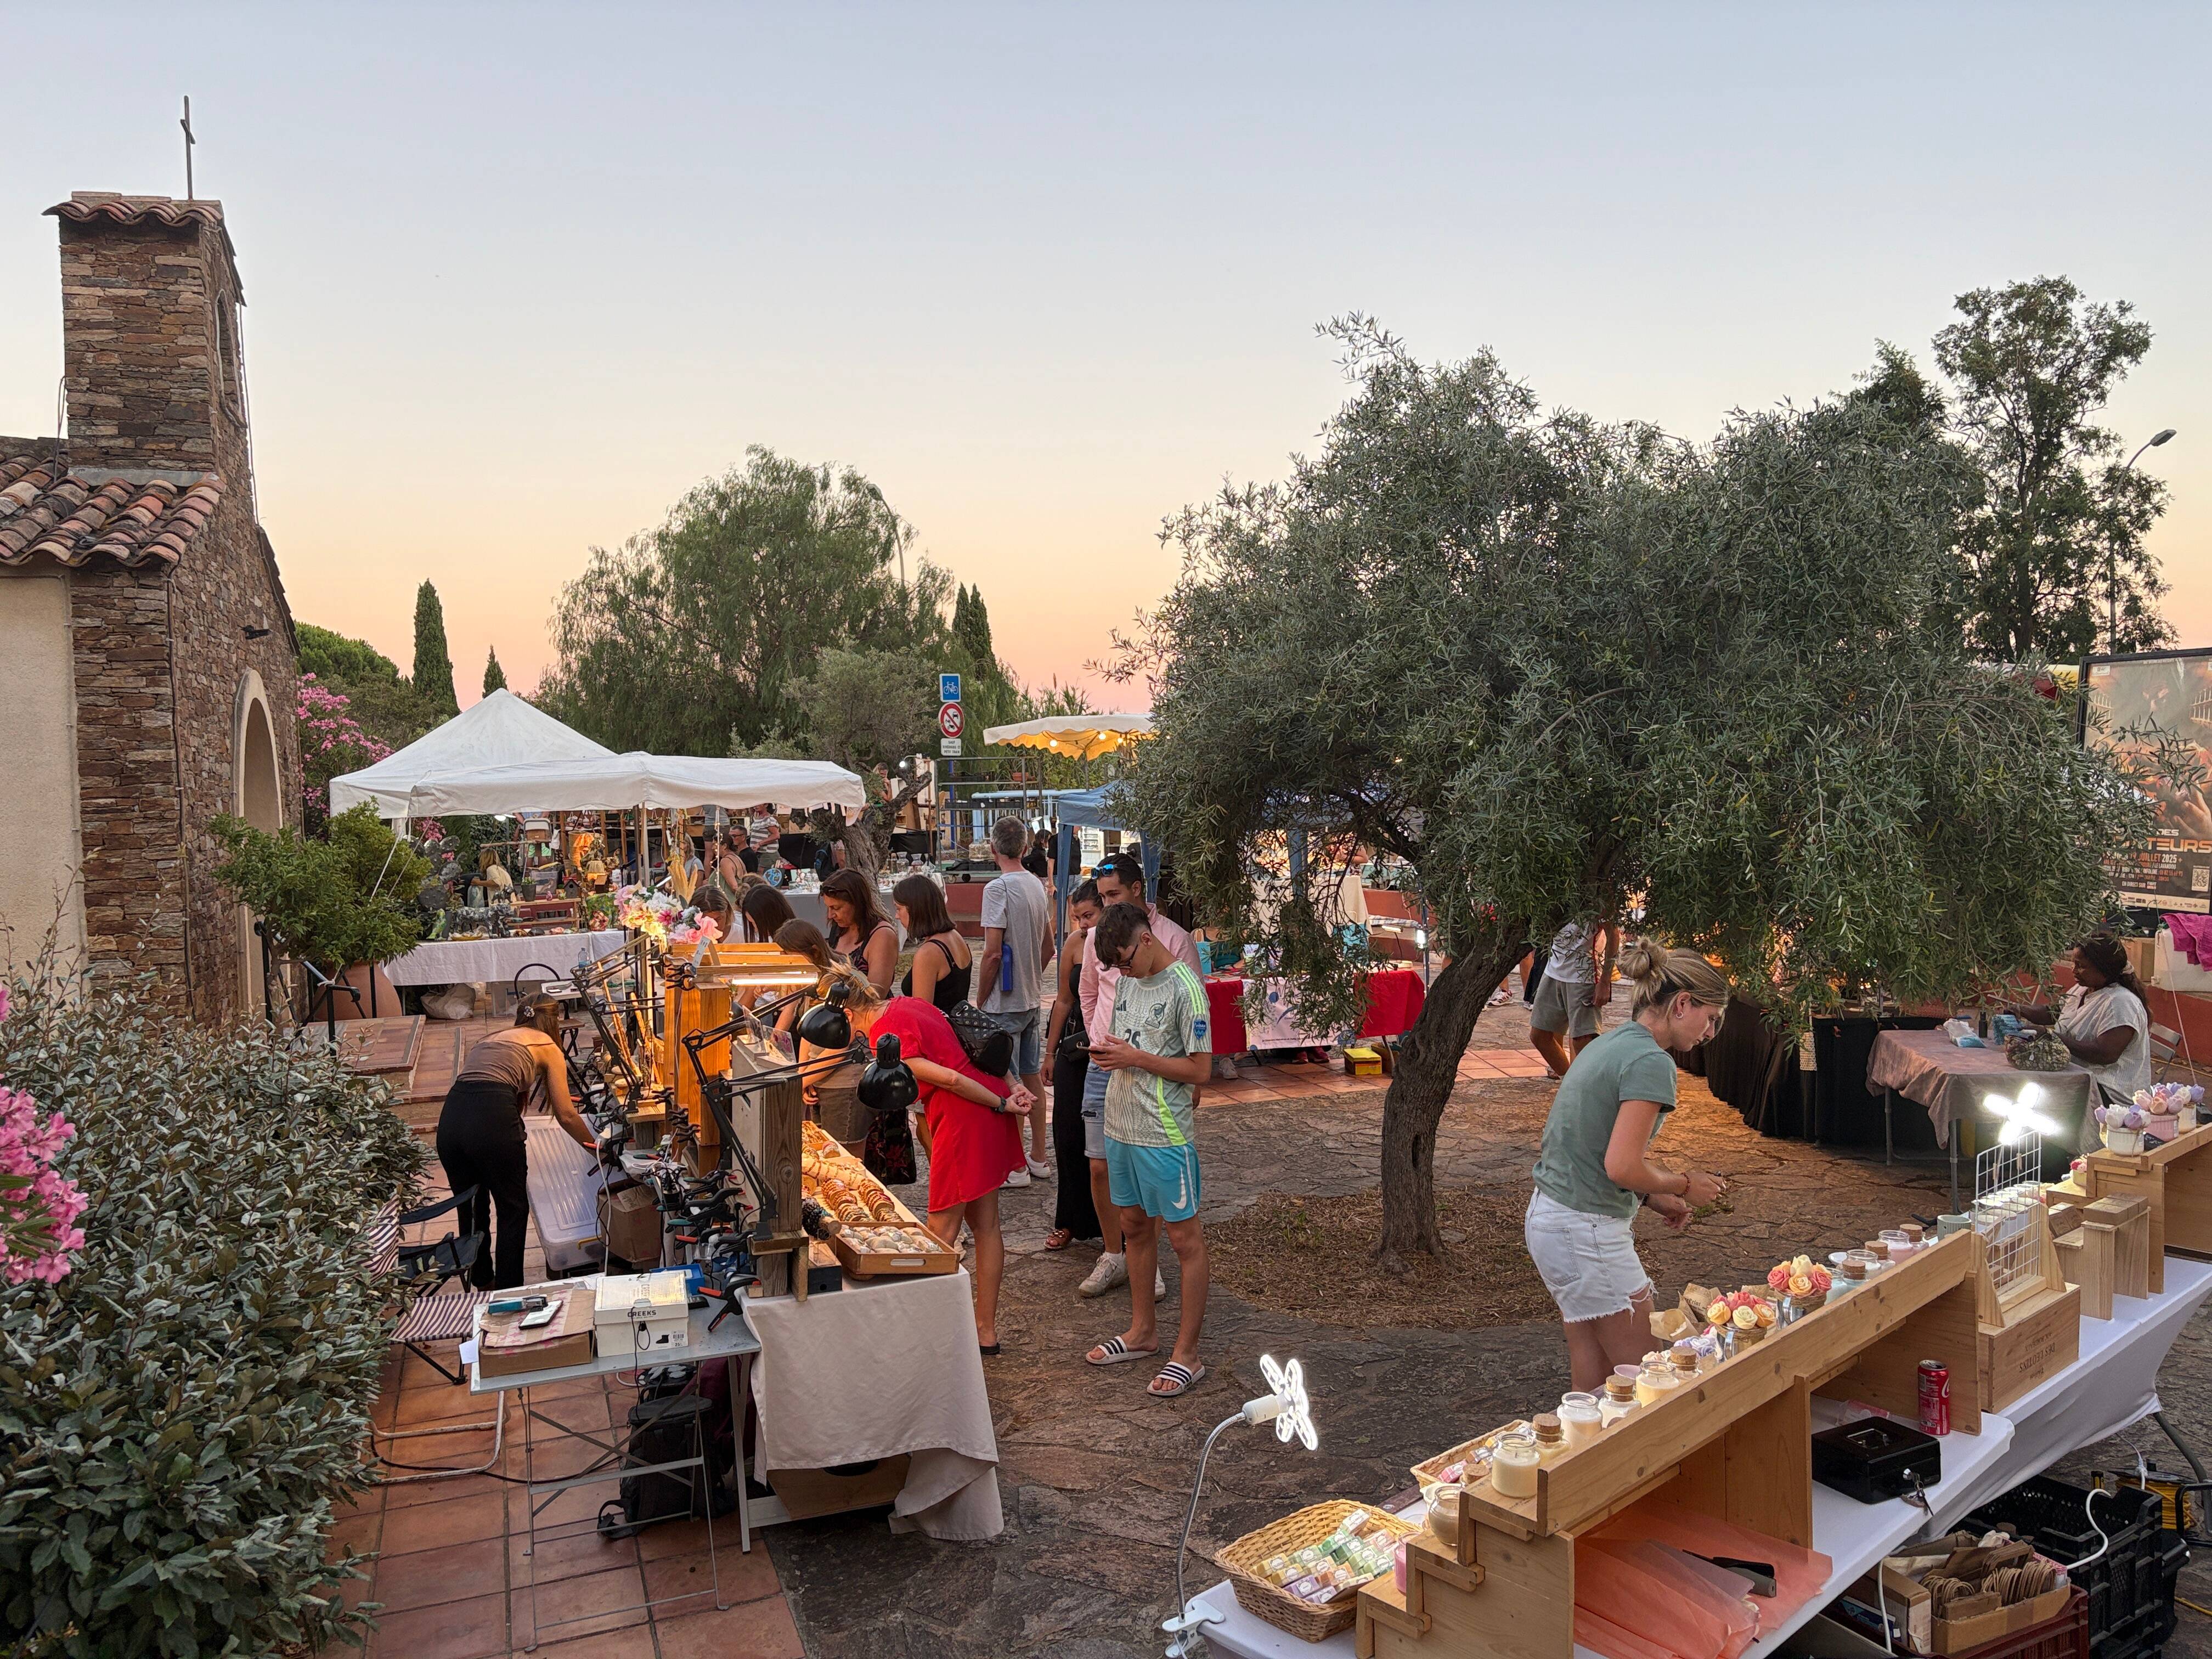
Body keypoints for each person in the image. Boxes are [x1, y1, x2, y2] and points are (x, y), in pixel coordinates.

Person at [1525, 940, 1731, 1393]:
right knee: (1654, 1380)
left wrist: (1653, 1196)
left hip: (1553, 1221)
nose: (1711, 1032)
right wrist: (1685, 1183)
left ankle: (1580, 1461)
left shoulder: (1612, 1043)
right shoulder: (1652, 1062)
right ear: (1682, 1004)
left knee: (1597, 1377)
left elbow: (1595, 1150)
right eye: (1711, 1018)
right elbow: (1620, 1165)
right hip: (1585, 1230)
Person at [1082, 902, 1214, 1397]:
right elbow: (1128, 1044)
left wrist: (1136, 1057)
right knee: (1133, 1227)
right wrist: (1112, 1056)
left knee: (1184, 1240)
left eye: (1123, 961)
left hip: (1164, 1135)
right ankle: (1142, 1332)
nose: (1121, 972)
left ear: (1146, 940)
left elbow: (1201, 1071)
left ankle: (1189, 1354)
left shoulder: (1187, 990)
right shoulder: (1130, 983)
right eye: (1113, 967)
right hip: (1121, 1124)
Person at [870, 995, 1032, 1352]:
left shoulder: (883, 1032)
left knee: (940, 1232)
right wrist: (1010, 1086)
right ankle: (984, 1331)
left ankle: (924, 1327)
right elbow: (978, 1036)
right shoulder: (904, 1003)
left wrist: (1004, 1103)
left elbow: (951, 1080)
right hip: (986, 1098)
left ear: (849, 1012)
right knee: (987, 1226)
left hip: (965, 1115)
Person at [1074, 853, 1201, 1299]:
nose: (1105, 904)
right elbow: (1088, 991)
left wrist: (1187, 1079)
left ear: (1137, 891)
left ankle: (1146, 1259)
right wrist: (1098, 1036)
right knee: (1101, 1167)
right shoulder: (1100, 941)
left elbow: (1193, 1026)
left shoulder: (1174, 943)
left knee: (1156, 1176)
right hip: (1108, 1060)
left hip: (1156, 1077)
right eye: (1101, 896)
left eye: (1113, 895)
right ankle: (1117, 1254)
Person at [435, 998, 596, 1289]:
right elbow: (567, 1114)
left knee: (471, 1207)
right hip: (491, 1118)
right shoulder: (547, 1047)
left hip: (452, 1120)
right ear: (553, 1022)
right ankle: (508, 1292)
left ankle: (482, 1282)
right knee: (512, 1209)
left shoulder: (491, 1038)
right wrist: (595, 1148)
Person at [2011, 934, 2154, 1141]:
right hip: (2079, 1077)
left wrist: (2052, 1037)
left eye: (2081, 966)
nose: (2074, 970)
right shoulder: (2083, 989)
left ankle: (2053, 1153)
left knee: (2036, 1093)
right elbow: (2056, 1012)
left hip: (2110, 1094)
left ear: (2104, 968)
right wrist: (2021, 1009)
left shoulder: (2121, 1003)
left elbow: (2105, 1054)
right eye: (2074, 964)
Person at [979, 816, 1054, 1182]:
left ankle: (1015, 1164)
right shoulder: (1038, 885)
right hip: (1031, 998)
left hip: (1003, 1003)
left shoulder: (997, 889)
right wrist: (1032, 975)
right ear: (1026, 849)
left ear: (993, 849)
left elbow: (992, 953)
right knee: (1030, 1077)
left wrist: (980, 997)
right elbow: (1049, 946)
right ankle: (1039, 1157)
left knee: (1005, 1083)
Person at [776, 918, 883, 1152]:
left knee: (844, 1157)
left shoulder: (835, 984)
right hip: (822, 1078)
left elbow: (836, 1050)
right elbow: (810, 1032)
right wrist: (804, 1074)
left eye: (791, 956)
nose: (787, 962)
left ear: (812, 952)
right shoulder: (812, 980)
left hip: (845, 1083)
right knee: (823, 1152)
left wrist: (799, 1082)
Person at [1045, 881, 1105, 1251]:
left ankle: (1112, 1226)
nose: (1082, 924)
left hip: (1107, 1049)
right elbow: (1063, 1001)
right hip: (1072, 1047)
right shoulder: (1073, 945)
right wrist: (1048, 1053)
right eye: (1076, 917)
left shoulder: (1117, 946)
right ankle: (1067, 1220)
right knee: (1067, 1132)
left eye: (1089, 915)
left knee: (1104, 1142)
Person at [1530, 917, 1620, 1080]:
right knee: (1539, 1035)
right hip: (1553, 970)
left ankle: (1587, 1090)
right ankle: (1570, 1083)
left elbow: (1613, 933)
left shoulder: (1597, 894)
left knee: (1583, 1041)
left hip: (1583, 975)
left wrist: (1605, 981)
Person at [895, 873, 973, 1012]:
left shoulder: (929, 953)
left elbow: (923, 1014)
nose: (896, 916)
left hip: (940, 1030)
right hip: (956, 1028)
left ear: (914, 909)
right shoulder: (955, 936)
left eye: (898, 909)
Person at [822, 867, 898, 996]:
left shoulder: (882, 935)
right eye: (828, 908)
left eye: (836, 908)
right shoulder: (839, 929)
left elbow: (876, 995)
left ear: (857, 903)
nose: (830, 915)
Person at [739, 882, 797, 946]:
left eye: (755, 923)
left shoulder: (796, 943)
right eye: (752, 923)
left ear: (771, 918)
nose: (755, 929)